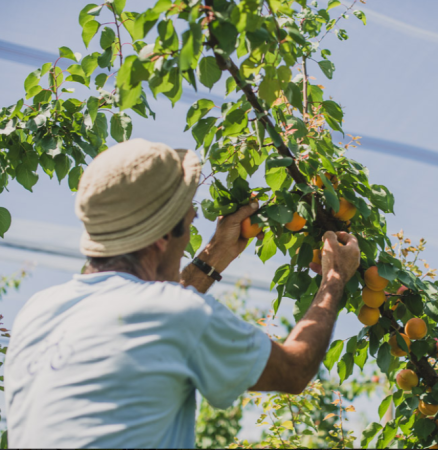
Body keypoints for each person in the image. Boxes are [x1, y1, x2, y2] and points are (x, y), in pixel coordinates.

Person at [4, 138, 360, 448]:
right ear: (161, 238)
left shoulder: (38, 312)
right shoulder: (175, 314)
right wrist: (334, 278)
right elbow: (294, 369)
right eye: (188, 226)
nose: (191, 237)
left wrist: (214, 256)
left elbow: (148, 319)